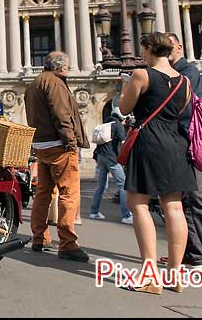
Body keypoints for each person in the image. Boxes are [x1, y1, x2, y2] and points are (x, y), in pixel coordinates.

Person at [118, 32, 195, 294]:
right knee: (174, 207)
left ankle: (150, 276)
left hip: (149, 142)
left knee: (138, 204)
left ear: (150, 49)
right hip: (176, 144)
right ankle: (175, 275)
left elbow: (125, 108)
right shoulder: (184, 81)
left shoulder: (142, 75)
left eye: (144, 50)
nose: (142, 55)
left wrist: (125, 85)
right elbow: (182, 111)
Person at [166, 32, 202, 278]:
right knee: (181, 200)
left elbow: (180, 96)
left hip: (191, 142)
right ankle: (193, 252)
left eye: (166, 48)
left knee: (200, 199)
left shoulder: (187, 71)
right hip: (175, 142)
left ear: (179, 47)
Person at [24, 51, 90, 262]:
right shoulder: (55, 84)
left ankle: (39, 237)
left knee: (43, 193)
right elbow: (62, 115)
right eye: (67, 67)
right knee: (68, 193)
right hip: (58, 145)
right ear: (61, 67)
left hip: (41, 146)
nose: (68, 71)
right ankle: (68, 243)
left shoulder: (34, 84)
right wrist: (70, 142)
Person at [89, 110, 133, 224]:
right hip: (112, 158)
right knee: (123, 185)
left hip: (100, 157)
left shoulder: (105, 124)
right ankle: (126, 215)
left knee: (101, 186)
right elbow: (124, 143)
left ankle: (94, 212)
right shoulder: (117, 125)